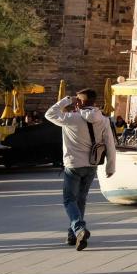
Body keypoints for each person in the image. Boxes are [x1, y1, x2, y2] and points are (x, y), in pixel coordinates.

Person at [46, 89, 117, 251]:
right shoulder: (104, 120)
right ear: (94, 102)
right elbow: (110, 144)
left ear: (79, 102)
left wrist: (67, 100)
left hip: (73, 165)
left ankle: (78, 228)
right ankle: (73, 235)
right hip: (92, 165)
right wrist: (110, 166)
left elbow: (49, 114)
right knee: (81, 199)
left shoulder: (70, 118)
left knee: (69, 199)